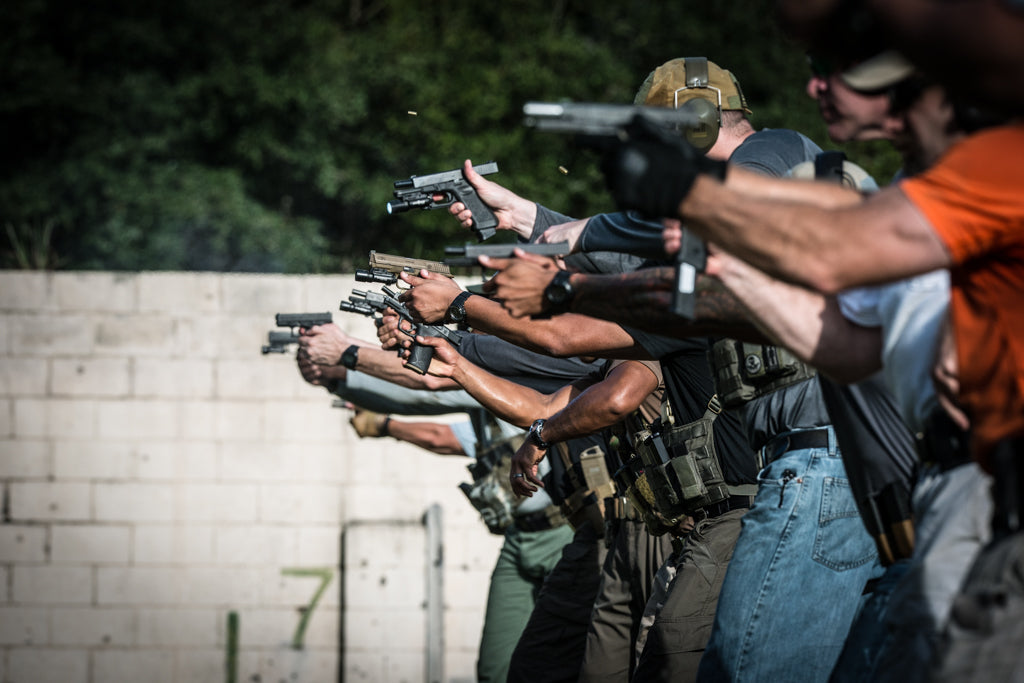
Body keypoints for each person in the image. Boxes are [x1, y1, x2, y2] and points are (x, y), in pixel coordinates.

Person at [599, 55, 1024, 682]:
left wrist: (681, 210)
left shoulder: (788, 158)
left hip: (915, 475)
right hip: (914, 483)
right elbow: (844, 343)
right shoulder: (912, 191)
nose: (815, 86)